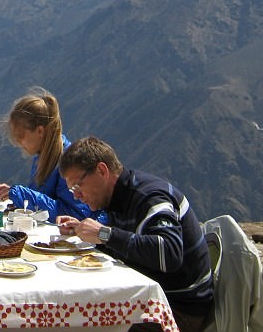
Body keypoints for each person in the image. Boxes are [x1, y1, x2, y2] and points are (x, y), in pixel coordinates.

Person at [55, 136, 214, 332]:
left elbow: (169, 253)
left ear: (102, 170)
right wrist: (85, 232)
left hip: (178, 309)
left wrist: (104, 235)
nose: (76, 196)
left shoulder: (150, 197)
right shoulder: (119, 198)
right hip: (151, 298)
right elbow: (129, 246)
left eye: (77, 187)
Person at [0, 86, 95, 221]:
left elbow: (75, 214)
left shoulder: (69, 163)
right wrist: (14, 194)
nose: (18, 142)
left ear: (40, 131)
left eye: (21, 135)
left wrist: (22, 195)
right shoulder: (42, 156)